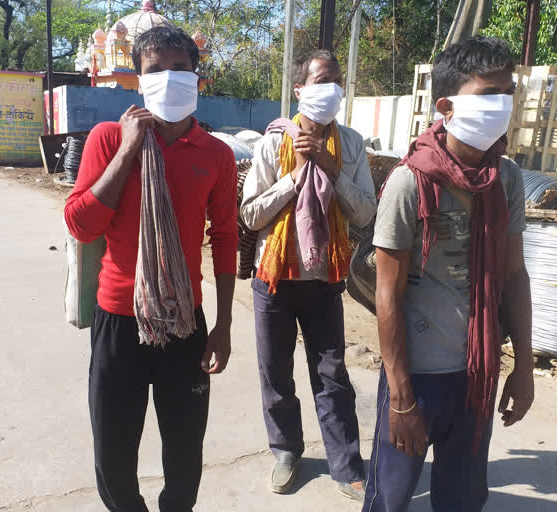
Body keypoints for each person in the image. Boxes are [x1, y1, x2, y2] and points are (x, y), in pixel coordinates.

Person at [64, 25, 238, 512]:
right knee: (114, 456)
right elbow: (81, 224)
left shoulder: (217, 155)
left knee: (185, 455)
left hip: (186, 323)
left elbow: (224, 239)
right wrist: (127, 149)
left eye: (180, 68)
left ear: (196, 77)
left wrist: (222, 325)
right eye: (155, 70)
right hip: (119, 319)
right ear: (138, 80)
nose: (169, 78)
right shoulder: (108, 138)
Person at [362, 36, 534, 512]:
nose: (502, 106)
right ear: (447, 106)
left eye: (508, 93)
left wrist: (523, 365)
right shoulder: (409, 182)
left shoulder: (507, 179)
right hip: (417, 379)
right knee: (390, 500)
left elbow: (513, 277)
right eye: (488, 95)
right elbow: (388, 297)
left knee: (461, 501)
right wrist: (401, 400)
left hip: (475, 376)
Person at [240, 49, 377, 501]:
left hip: (324, 280)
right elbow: (250, 216)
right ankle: (286, 451)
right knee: (275, 371)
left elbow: (364, 214)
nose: (330, 90)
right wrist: (294, 177)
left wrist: (331, 169)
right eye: (321, 81)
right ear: (300, 90)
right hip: (274, 279)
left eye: (336, 81)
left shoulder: (352, 145)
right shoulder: (271, 144)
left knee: (332, 375)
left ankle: (345, 464)